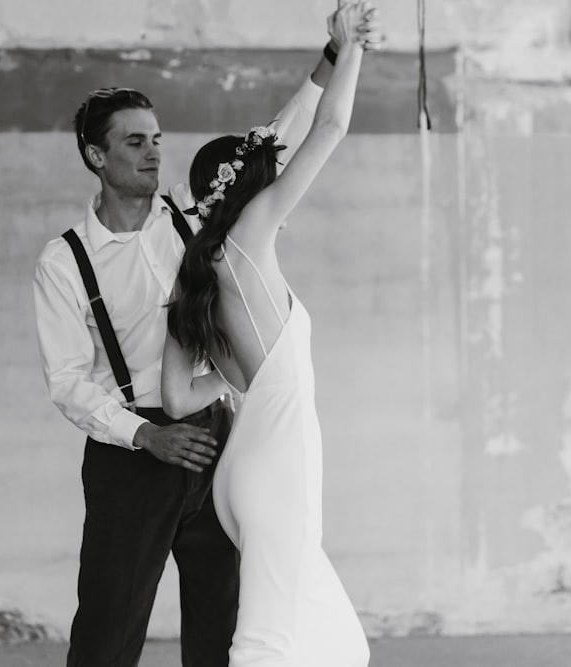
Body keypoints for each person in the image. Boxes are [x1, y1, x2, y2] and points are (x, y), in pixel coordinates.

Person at [32, 6, 356, 665]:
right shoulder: (63, 260)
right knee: (109, 624)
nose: (153, 149)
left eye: (155, 137)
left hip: (215, 440)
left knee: (222, 619)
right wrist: (145, 434)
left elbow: (272, 141)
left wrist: (331, 56)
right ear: (96, 155)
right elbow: (67, 379)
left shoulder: (188, 212)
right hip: (133, 452)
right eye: (133, 141)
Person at [161, 1, 381, 664]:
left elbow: (175, 398)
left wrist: (232, 380)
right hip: (280, 462)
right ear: (253, 186)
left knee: (336, 639)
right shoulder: (252, 233)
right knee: (265, 643)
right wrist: (355, 47)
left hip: (243, 471)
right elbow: (331, 127)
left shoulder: (192, 273)